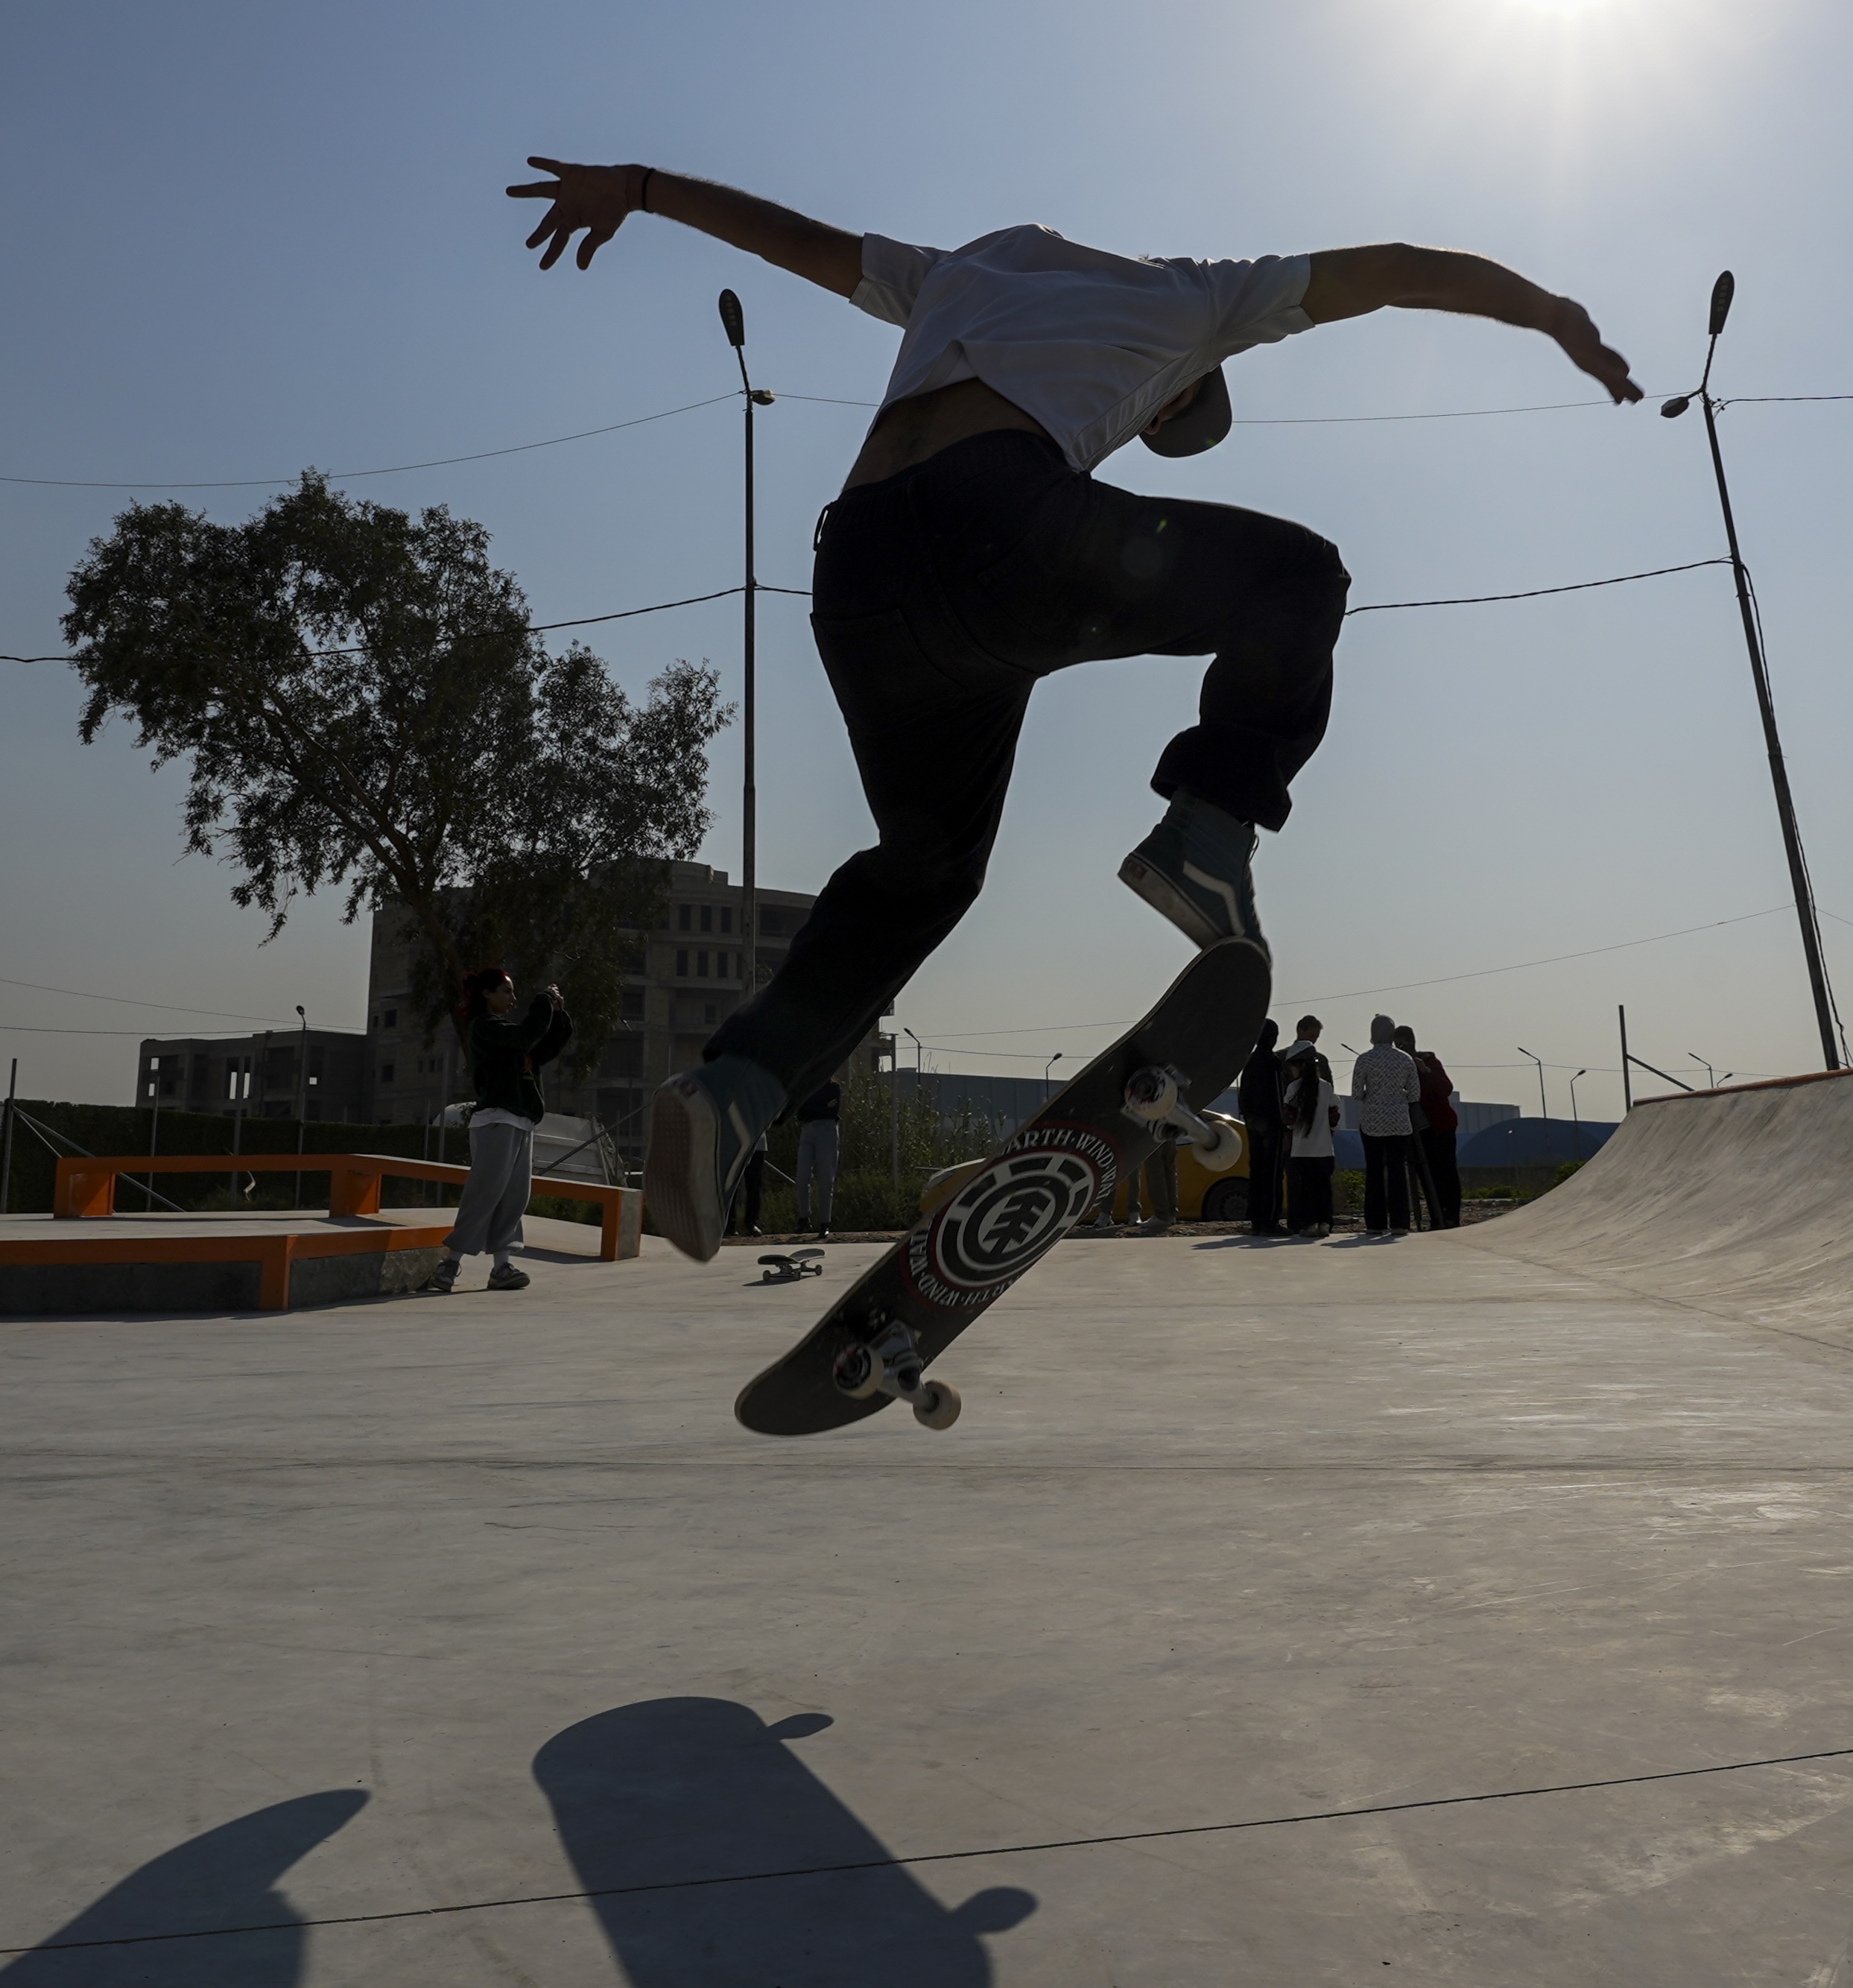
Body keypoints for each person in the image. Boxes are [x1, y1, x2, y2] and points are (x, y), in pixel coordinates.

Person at [509, 155, 1638, 1256]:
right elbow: (1393, 268)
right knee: (1297, 577)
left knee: (924, 868)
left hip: (858, 572)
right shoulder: (1202, 299)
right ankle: (1207, 829)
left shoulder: (957, 269)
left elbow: (793, 240)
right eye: (1163, 418)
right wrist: (1549, 312)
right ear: (1198, 382)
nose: (1148, 421)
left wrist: (638, 186)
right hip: (998, 529)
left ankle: (737, 1087)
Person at [446, 966, 574, 1291]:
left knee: (514, 1197)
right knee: (485, 1193)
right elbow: (525, 1036)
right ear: (486, 994)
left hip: (521, 1120)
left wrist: (558, 1014)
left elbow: (544, 1045)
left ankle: (502, 1267)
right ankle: (450, 1263)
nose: (513, 998)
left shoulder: (509, 1035)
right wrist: (544, 1000)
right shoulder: (484, 1028)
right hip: (496, 1120)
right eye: (506, 991)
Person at [1348, 1016, 1422, 1239]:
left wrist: (1375, 1095)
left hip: (1372, 1122)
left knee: (1374, 1171)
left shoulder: (1364, 1059)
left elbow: (1356, 1093)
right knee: (1398, 1170)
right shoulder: (1406, 1059)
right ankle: (1400, 1223)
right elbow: (1415, 1094)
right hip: (1399, 1122)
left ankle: (1375, 1223)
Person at [1279, 1013, 1340, 1235]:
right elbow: (1334, 1111)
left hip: (1301, 1144)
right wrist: (1330, 1130)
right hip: (1323, 1145)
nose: (1314, 1039)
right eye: (1312, 1035)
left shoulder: (1293, 1085)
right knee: (1321, 1187)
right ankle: (1324, 1222)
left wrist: (1289, 1130)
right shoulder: (1323, 1081)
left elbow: (1288, 1115)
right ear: (1300, 1031)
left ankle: (1304, 1223)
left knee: (1302, 1186)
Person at [1237, 1019, 1287, 1239]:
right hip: (1271, 1122)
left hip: (1252, 1121)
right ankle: (1270, 1221)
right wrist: (1284, 1124)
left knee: (1256, 1171)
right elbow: (1278, 1095)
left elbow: (1243, 1092)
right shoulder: (1273, 1062)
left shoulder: (1250, 1061)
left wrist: (1247, 1115)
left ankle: (1256, 1220)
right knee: (1273, 1173)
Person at [1410, 1032, 1463, 1230]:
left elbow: (1446, 1088)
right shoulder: (1399, 1066)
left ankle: (1451, 1216)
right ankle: (1436, 1216)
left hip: (1441, 1126)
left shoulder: (1429, 1062)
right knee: (1427, 1175)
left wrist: (1425, 1071)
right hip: (1420, 1130)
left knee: (1446, 1172)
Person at [790, 1074, 843, 1241]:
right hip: (809, 1130)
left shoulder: (833, 1088)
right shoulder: (808, 1086)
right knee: (802, 1175)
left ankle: (824, 1222)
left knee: (826, 1179)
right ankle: (804, 1217)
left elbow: (832, 1110)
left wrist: (812, 1109)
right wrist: (820, 1108)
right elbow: (801, 1113)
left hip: (827, 1130)